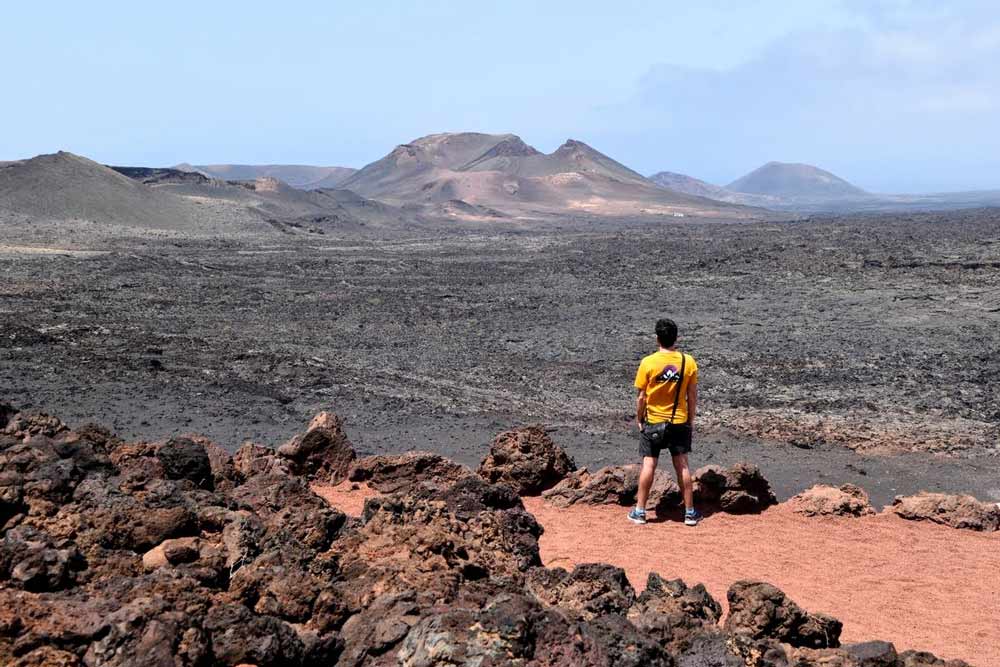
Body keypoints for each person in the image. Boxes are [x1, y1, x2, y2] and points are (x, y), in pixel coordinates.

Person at [628, 318, 700, 526]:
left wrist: (639, 417)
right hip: (679, 421)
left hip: (653, 421)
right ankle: (689, 513)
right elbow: (692, 396)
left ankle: (640, 511)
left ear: (657, 338)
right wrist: (690, 419)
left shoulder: (648, 363)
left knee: (648, 464)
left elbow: (642, 397)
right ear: (676, 338)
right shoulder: (688, 362)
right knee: (682, 465)